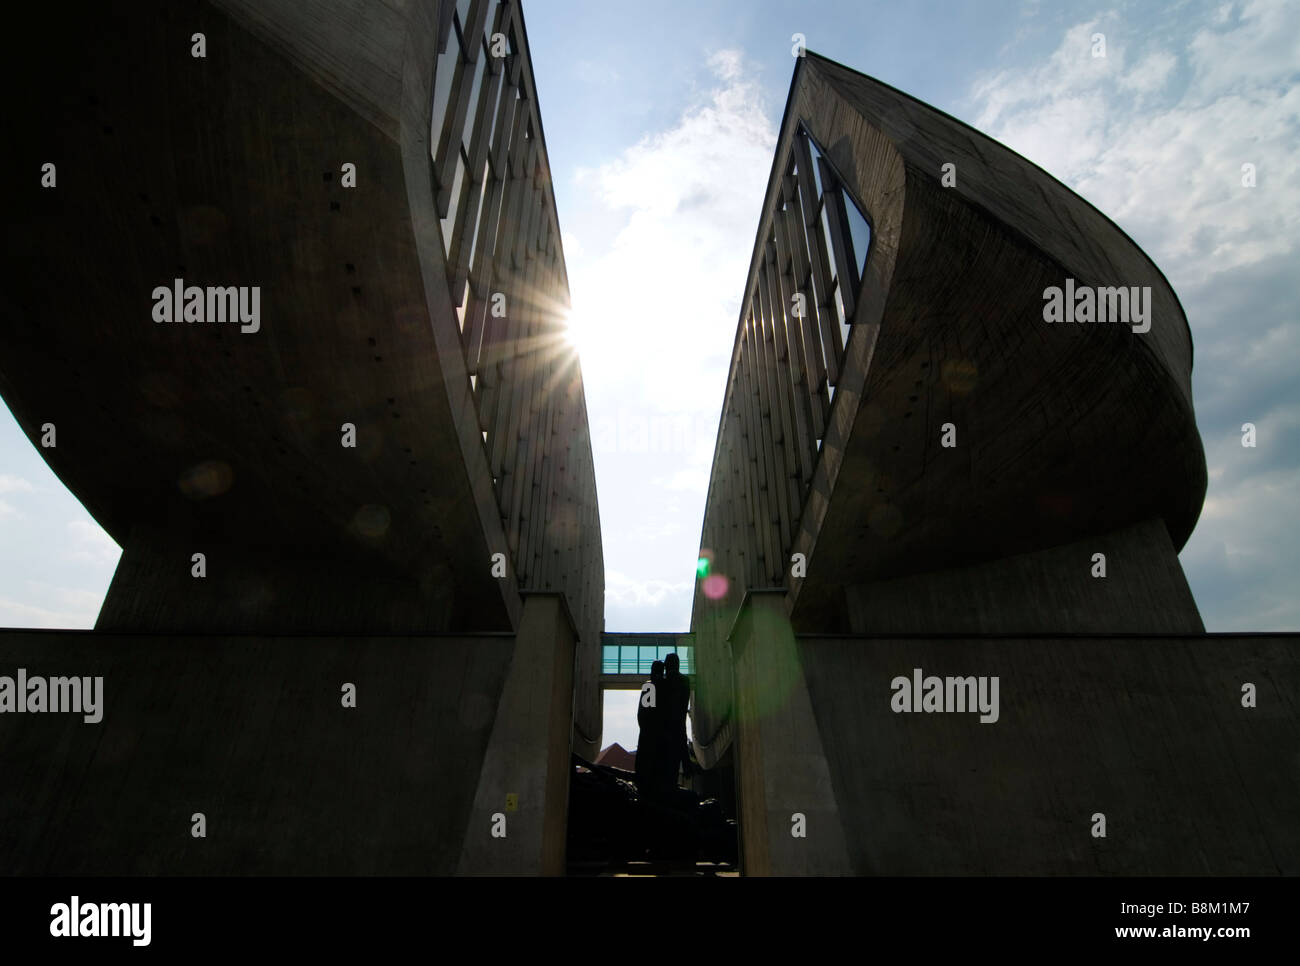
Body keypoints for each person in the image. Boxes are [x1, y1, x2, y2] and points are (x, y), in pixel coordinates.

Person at [634, 661, 666, 799]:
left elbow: (643, 715)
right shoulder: (666, 687)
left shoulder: (650, 687)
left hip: (648, 740)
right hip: (662, 740)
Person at [661, 652, 692, 791]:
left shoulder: (659, 684)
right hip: (679, 731)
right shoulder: (685, 681)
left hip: (664, 735)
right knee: (673, 772)